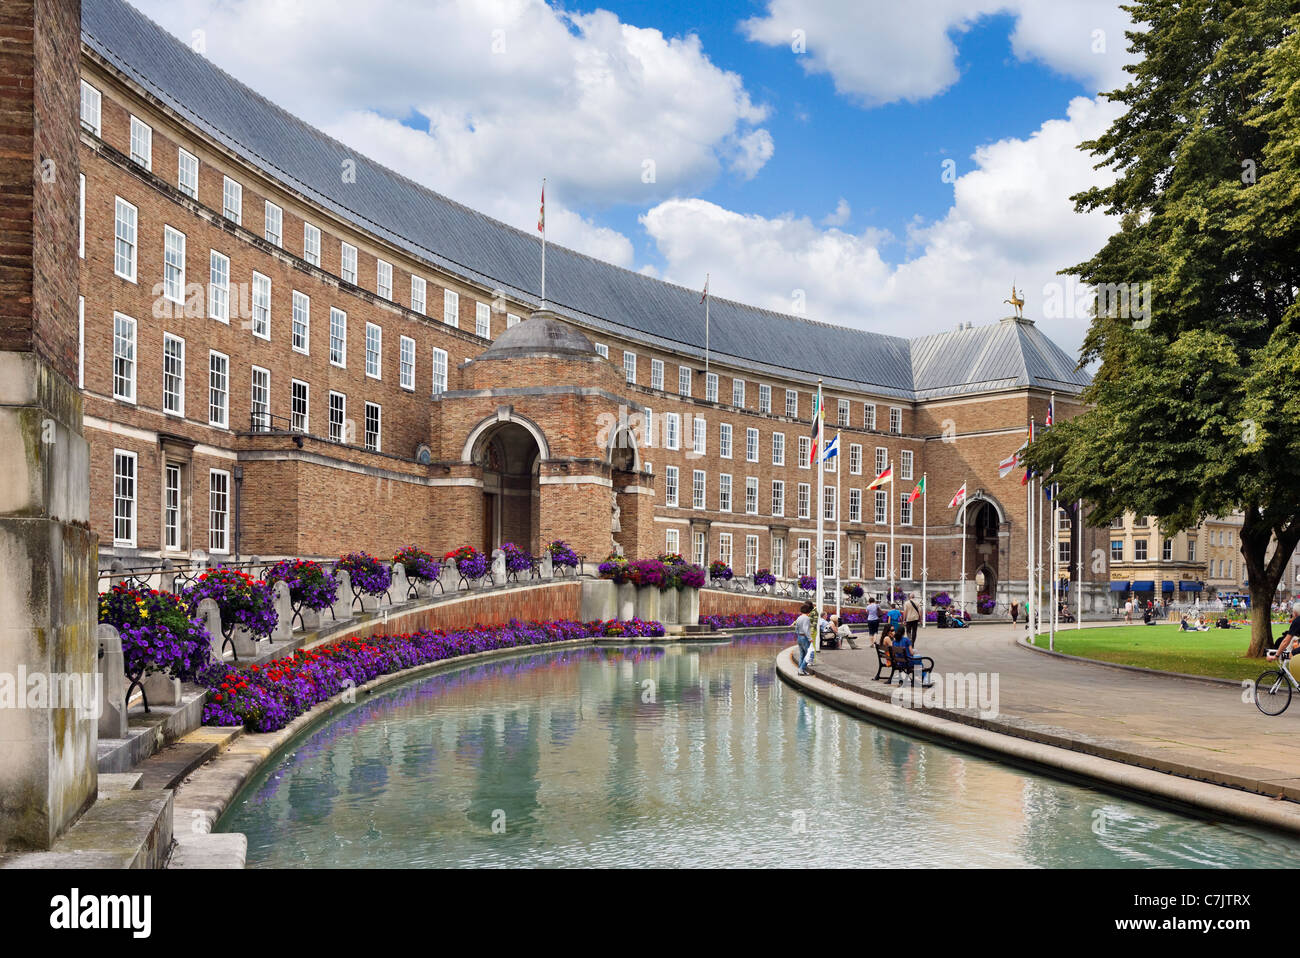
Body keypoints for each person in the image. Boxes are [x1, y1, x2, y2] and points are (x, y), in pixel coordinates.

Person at [793, 602, 815, 675]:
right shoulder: (806, 618)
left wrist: (798, 634)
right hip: (804, 638)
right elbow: (806, 629)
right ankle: (801, 669)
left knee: (802, 654)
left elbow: (796, 628)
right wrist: (809, 638)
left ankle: (801, 670)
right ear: (808, 611)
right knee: (808, 654)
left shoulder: (799, 617)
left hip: (799, 636)